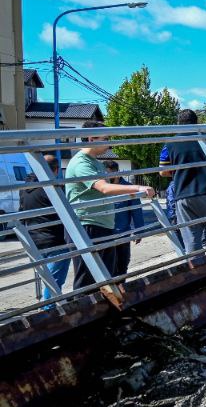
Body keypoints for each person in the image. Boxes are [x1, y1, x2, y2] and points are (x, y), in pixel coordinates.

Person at [65, 123, 155, 289]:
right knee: (88, 281)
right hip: (88, 225)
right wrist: (137, 188)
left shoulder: (95, 162)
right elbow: (104, 188)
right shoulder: (81, 163)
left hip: (102, 225)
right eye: (105, 139)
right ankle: (83, 313)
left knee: (107, 278)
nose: (109, 143)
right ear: (92, 138)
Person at [159, 109, 206, 253]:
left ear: (178, 124)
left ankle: (198, 271)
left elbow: (162, 171)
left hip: (183, 197)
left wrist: (182, 170)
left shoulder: (170, 143)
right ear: (196, 122)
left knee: (192, 243)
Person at [18, 153, 70, 299]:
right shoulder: (51, 188)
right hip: (55, 239)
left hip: (35, 239)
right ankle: (48, 310)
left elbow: (21, 213)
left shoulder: (24, 188)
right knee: (54, 281)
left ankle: (48, 306)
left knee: (48, 278)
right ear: (56, 170)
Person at [104, 161, 150, 275]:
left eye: (109, 174)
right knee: (106, 268)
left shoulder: (128, 188)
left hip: (122, 233)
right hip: (104, 234)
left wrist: (139, 231)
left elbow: (136, 211)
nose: (106, 177)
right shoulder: (100, 189)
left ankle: (122, 289)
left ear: (117, 173)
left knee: (122, 265)